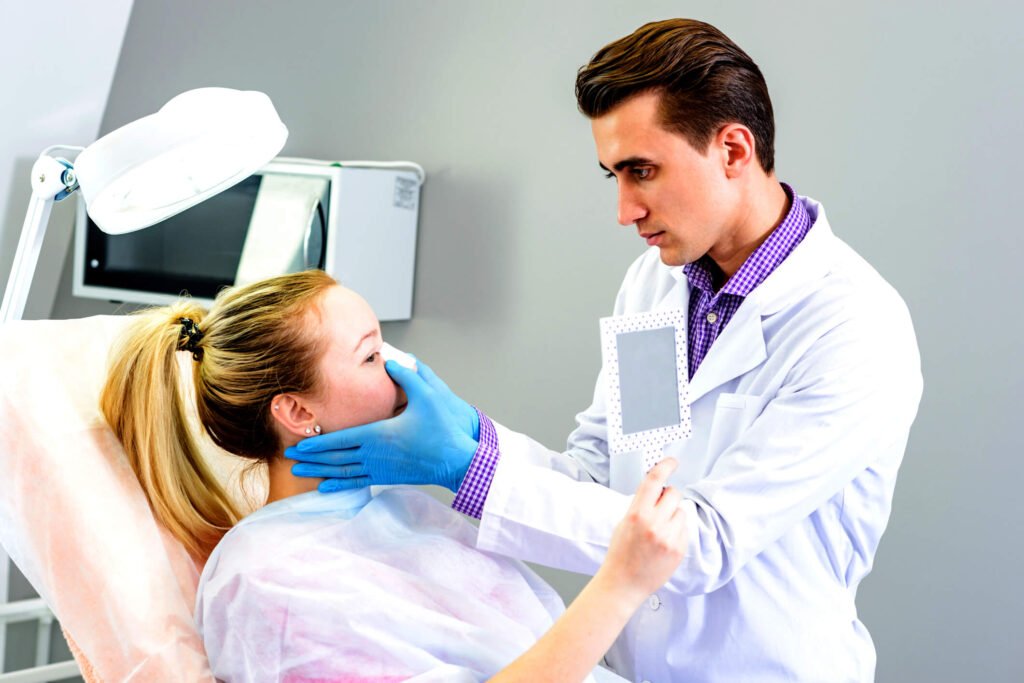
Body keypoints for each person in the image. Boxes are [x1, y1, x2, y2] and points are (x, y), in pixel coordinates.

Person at [287, 18, 924, 683]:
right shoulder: (655, 283)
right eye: (612, 176)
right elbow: (602, 478)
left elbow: (696, 541)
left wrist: (467, 471)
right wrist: (476, 439)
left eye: (641, 171)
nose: (624, 209)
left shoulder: (853, 328)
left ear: (734, 149)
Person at [99, 268, 685, 682]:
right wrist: (620, 585)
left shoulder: (404, 506)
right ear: (298, 412)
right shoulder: (269, 583)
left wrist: (471, 440)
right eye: (371, 355)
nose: (405, 368)